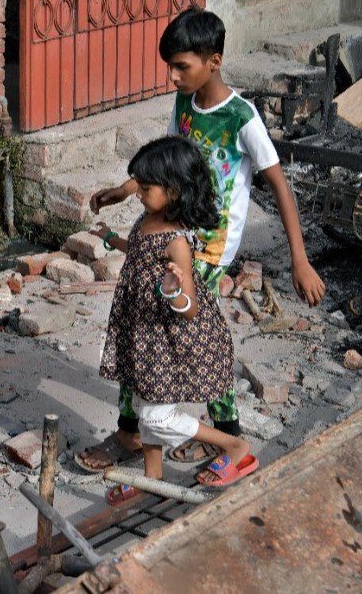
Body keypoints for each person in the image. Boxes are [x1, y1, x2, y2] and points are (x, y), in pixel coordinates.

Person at [80, 7, 323, 470]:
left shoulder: (241, 118)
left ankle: (219, 436)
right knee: (145, 330)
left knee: (188, 337)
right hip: (173, 234)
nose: (172, 77)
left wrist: (300, 259)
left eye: (181, 66)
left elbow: (280, 185)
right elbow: (166, 160)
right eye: (169, 66)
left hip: (208, 248)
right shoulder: (184, 103)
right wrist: (127, 187)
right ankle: (137, 434)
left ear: (214, 60)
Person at [88, 137, 258, 498]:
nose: (138, 193)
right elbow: (137, 249)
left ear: (174, 191)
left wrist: (171, 291)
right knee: (144, 400)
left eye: (145, 188)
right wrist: (111, 238)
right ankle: (153, 477)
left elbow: (192, 308)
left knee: (155, 417)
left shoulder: (177, 241)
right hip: (143, 333)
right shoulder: (149, 218)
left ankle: (233, 446)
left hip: (169, 338)